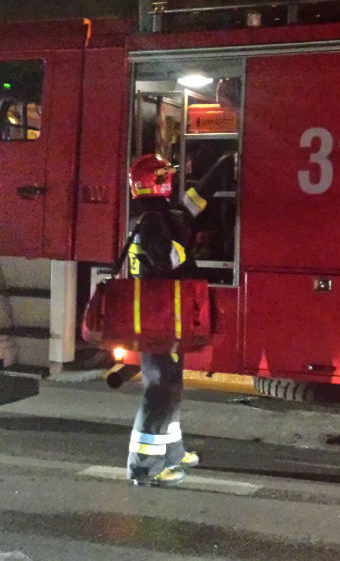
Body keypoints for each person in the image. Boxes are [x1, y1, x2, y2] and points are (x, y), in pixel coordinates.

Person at [124, 153, 222, 487]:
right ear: (160, 181)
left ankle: (173, 453)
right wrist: (186, 246)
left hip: (160, 319)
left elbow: (189, 208)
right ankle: (145, 467)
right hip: (159, 321)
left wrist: (221, 168)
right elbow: (166, 260)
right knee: (160, 391)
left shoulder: (154, 215)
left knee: (170, 388)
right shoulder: (154, 220)